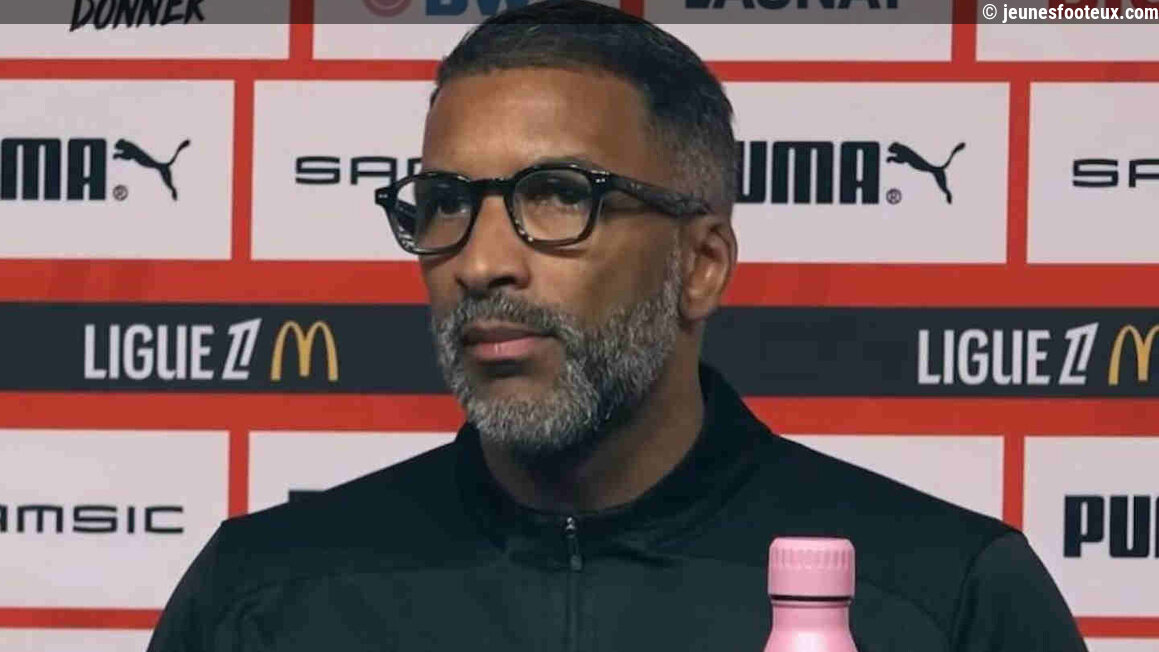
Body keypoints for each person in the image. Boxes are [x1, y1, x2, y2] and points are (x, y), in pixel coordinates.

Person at [148, 2, 1088, 650]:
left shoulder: (941, 597)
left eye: (559, 195)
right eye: (445, 203)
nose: (480, 262)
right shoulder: (265, 597)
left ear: (700, 265)